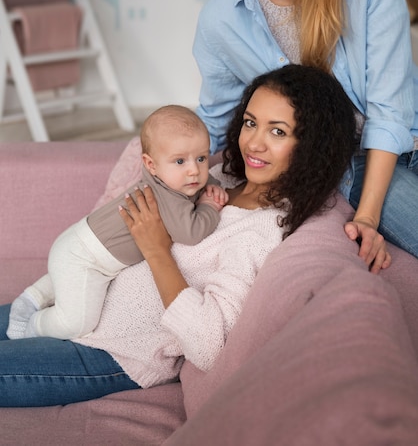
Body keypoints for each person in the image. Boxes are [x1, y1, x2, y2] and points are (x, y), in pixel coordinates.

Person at [0, 64, 356, 407]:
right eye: (251, 123)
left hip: (114, 350)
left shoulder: (260, 230)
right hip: (77, 298)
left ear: (312, 147)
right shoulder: (217, 176)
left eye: (277, 131)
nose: (254, 144)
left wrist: (157, 251)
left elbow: (207, 343)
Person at [192, 0, 418, 271]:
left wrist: (366, 217)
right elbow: (215, 122)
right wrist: (163, 174)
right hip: (349, 168)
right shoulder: (221, 19)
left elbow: (390, 109)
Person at [7, 105, 228, 341]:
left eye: (202, 158)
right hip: (86, 258)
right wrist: (209, 206)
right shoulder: (169, 196)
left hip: (76, 244)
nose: (194, 171)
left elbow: (201, 178)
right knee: (77, 323)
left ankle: (32, 298)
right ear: (151, 164)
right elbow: (191, 233)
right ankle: (34, 326)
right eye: (180, 161)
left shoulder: (170, 180)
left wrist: (211, 183)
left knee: (66, 279)